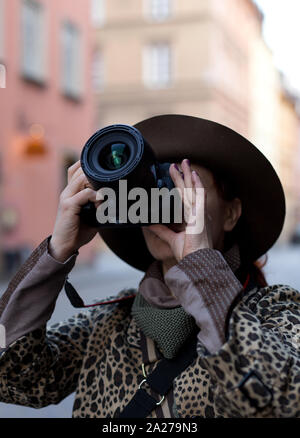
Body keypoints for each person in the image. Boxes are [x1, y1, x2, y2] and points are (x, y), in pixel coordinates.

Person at [0, 114, 299, 418]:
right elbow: (14, 378)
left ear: (231, 213)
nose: (165, 200)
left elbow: (284, 403)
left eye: (183, 186)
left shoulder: (274, 310)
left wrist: (203, 270)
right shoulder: (107, 326)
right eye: (155, 186)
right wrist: (56, 252)